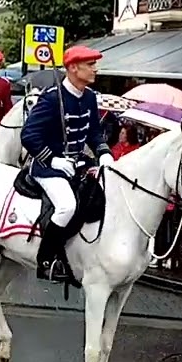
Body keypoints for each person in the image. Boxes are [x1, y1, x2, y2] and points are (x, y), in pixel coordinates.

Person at [20, 45, 113, 283]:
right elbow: (29, 135)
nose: (95, 69)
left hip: (78, 164)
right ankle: (47, 260)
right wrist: (52, 159)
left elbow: (94, 132)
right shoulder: (52, 98)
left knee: (101, 197)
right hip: (49, 167)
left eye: (94, 64)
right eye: (90, 64)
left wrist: (103, 152)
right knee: (67, 206)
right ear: (73, 68)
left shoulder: (90, 96)